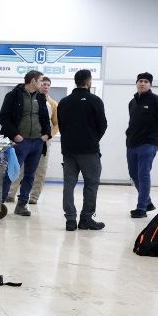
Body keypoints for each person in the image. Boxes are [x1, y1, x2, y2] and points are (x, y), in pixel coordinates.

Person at [56, 69, 108, 231]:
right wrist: (92, 139)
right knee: (91, 184)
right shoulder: (95, 101)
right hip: (89, 150)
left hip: (69, 150)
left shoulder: (64, 102)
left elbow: (62, 126)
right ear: (88, 82)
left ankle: (70, 220)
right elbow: (103, 125)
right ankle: (86, 219)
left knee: (69, 184)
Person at [0, 70, 51, 217]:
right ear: (33, 81)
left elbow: (45, 119)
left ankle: (22, 205)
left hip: (38, 142)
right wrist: (15, 135)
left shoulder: (40, 98)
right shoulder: (13, 95)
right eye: (41, 81)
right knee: (11, 173)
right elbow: (3, 118)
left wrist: (46, 134)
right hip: (21, 143)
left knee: (30, 175)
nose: (42, 84)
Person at [125, 72, 158, 218]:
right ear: (136, 83)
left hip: (149, 143)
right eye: (140, 81)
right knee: (133, 173)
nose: (142, 83)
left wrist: (157, 143)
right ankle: (148, 202)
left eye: (146, 81)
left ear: (150, 84)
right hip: (132, 143)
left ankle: (141, 208)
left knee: (143, 174)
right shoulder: (132, 102)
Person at [7, 76, 58, 205]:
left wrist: (47, 136)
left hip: (43, 141)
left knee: (40, 170)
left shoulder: (53, 104)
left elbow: (57, 124)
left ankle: (33, 197)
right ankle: (10, 194)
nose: (45, 86)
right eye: (43, 84)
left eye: (48, 84)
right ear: (37, 84)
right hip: (26, 139)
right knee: (19, 168)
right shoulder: (28, 99)